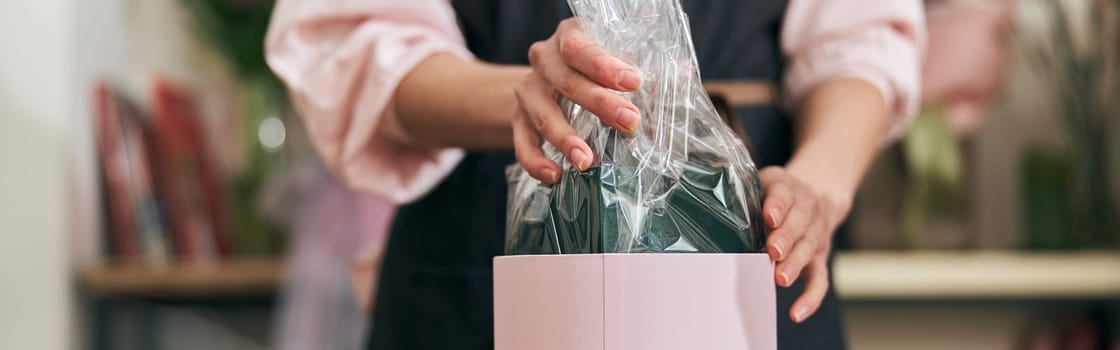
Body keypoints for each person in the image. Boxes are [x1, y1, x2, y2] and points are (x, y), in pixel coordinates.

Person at [265, 0, 925, 349]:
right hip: (473, 268)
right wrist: (528, 96)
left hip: (751, 253)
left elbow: (861, 39)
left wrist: (817, 185)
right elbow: (354, 35)